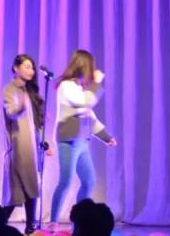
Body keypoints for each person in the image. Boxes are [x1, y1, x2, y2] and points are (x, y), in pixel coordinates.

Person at [48, 50, 116, 230]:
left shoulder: (79, 88)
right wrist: (97, 83)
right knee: (66, 181)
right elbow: (85, 102)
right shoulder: (66, 86)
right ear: (84, 67)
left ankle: (80, 221)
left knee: (89, 180)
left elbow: (90, 117)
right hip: (68, 141)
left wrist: (106, 137)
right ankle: (53, 222)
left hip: (82, 141)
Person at [2, 54, 47, 235]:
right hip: (19, 146)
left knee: (30, 186)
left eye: (32, 67)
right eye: (27, 66)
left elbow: (35, 123)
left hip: (32, 146)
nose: (31, 71)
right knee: (19, 189)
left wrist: (43, 142)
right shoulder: (10, 89)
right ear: (16, 68)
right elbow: (11, 112)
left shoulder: (30, 91)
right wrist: (21, 106)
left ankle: (30, 227)